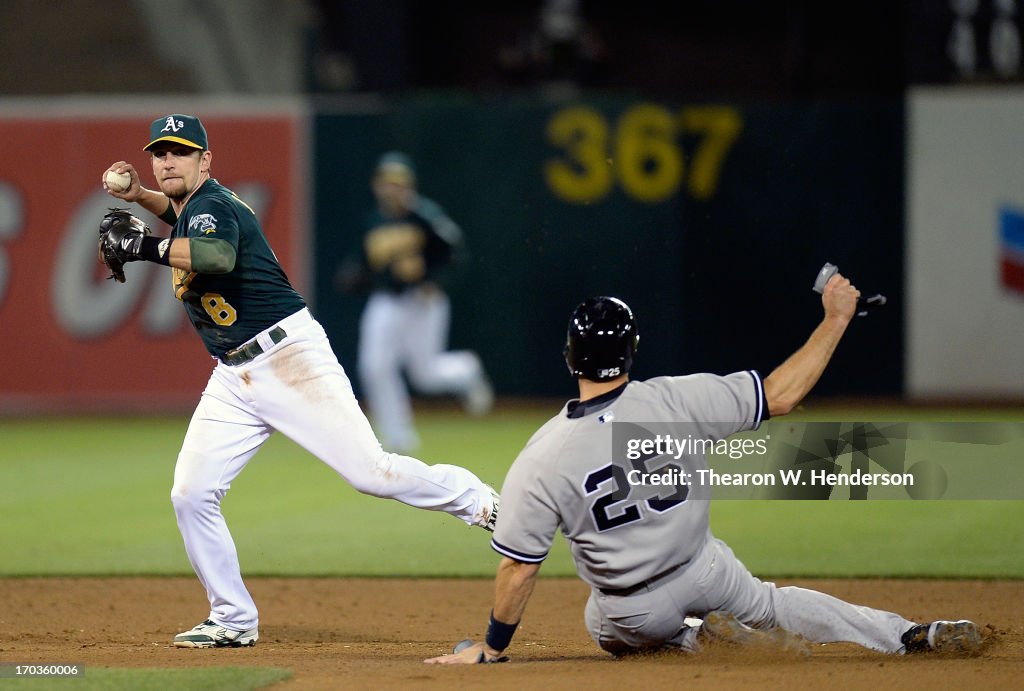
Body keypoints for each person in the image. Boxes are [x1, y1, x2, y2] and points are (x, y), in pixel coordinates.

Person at [100, 114, 498, 649]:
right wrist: (140, 194)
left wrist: (143, 247)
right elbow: (174, 209)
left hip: (288, 357)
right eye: (160, 152)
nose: (168, 160)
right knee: (191, 493)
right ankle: (233, 619)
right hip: (231, 375)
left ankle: (483, 503)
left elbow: (217, 255)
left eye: (181, 152)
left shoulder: (216, 206)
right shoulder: (193, 206)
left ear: (205, 161)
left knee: (372, 473)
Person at [425, 289, 983, 664]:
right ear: (631, 352)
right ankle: (911, 634)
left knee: (598, 620)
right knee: (772, 603)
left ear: (569, 357)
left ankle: (694, 640)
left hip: (631, 608)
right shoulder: (677, 398)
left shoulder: (544, 454)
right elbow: (783, 393)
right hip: (707, 568)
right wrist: (836, 317)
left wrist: (494, 649)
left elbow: (518, 572)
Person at [336, 151, 493, 453]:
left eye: (399, 182)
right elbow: (367, 265)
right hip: (387, 300)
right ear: (377, 185)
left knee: (426, 375)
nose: (392, 188)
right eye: (387, 182)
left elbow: (455, 253)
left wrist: (436, 282)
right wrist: (356, 275)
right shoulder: (374, 221)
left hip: (423, 300)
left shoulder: (425, 215)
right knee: (374, 366)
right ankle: (398, 439)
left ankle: (467, 370)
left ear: (409, 185)